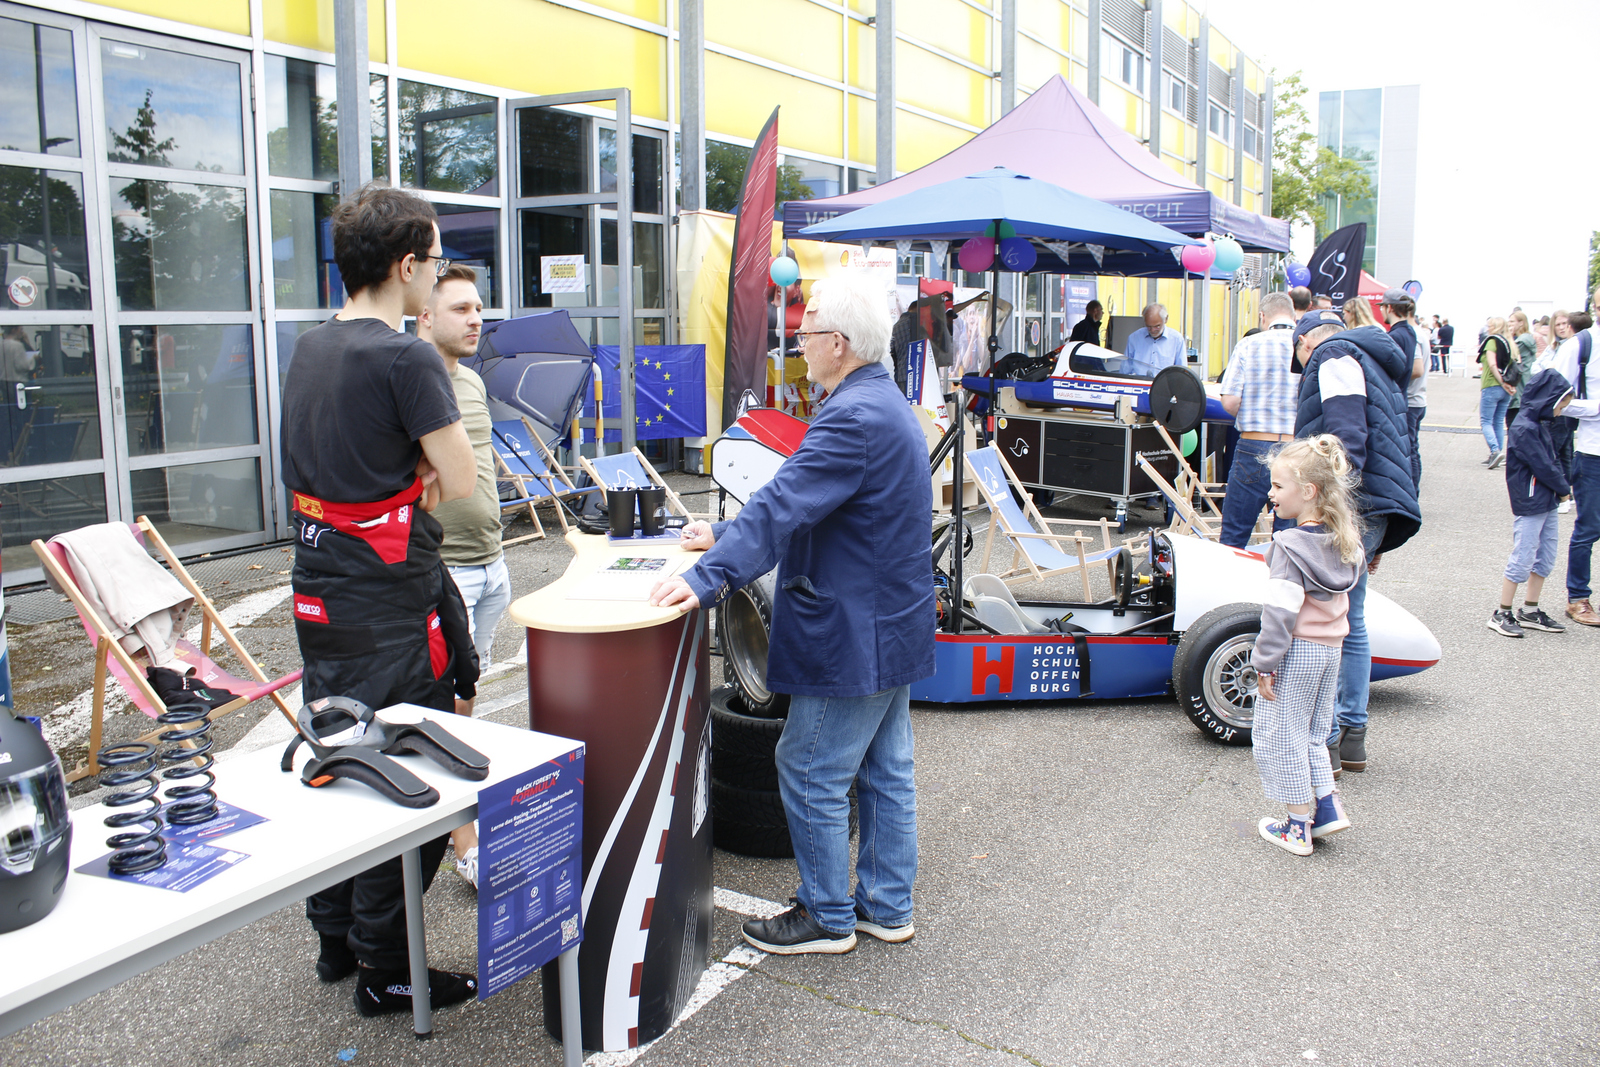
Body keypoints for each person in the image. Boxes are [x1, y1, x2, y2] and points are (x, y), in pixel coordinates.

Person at [648, 271, 935, 955]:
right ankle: (886, 906)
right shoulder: (883, 404)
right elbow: (812, 501)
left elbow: (784, 504)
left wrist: (708, 576)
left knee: (809, 766)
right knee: (885, 769)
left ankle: (826, 915)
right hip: (890, 623)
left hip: (856, 631)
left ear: (839, 343)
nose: (797, 346)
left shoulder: (851, 416)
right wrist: (723, 534)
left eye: (806, 335)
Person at [281, 183, 480, 1017]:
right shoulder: (405, 359)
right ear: (405, 266)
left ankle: (335, 938)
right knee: (413, 775)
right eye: (434, 260)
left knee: (339, 755)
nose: (436, 275)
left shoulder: (308, 347)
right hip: (392, 599)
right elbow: (461, 480)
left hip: (319, 587)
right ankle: (387, 968)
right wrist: (421, 469)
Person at [1290, 308, 1421, 777]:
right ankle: (1352, 737)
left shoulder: (1334, 356)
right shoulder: (1376, 360)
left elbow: (1345, 441)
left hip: (1350, 505)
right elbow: (1403, 445)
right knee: (1352, 618)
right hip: (1375, 506)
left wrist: (1335, 514)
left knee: (1324, 621)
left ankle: (1325, 740)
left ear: (1305, 343)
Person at [415, 264, 506, 891]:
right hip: (445, 571)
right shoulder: (409, 381)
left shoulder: (470, 380)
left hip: (492, 562)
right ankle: (464, 842)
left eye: (478, 308)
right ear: (425, 317)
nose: (476, 319)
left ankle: (461, 820)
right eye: (460, 309)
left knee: (467, 700)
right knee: (447, 707)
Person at [1251, 435, 1362, 855]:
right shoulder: (1342, 540)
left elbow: (1280, 613)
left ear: (1309, 491)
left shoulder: (1290, 547)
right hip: (1330, 651)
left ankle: (1297, 826)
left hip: (1296, 652)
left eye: (1279, 486)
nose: (1271, 493)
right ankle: (1327, 808)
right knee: (1314, 734)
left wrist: (1265, 663)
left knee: (1281, 734)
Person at [1487, 369, 1574, 638]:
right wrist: (1564, 490)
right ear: (1549, 400)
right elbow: (1543, 465)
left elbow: (1554, 460)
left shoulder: (1540, 423)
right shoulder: (1525, 428)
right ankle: (1501, 612)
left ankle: (1530, 609)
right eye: (1561, 405)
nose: (1561, 411)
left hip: (1546, 500)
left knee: (1545, 556)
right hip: (1531, 499)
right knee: (1523, 556)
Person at [1217, 291, 1300, 547]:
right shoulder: (1306, 345)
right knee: (1289, 539)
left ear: (1263, 316)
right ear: (1294, 316)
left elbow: (1230, 401)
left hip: (1253, 443)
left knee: (1234, 534)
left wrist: (1250, 413)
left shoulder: (1248, 344)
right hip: (1295, 446)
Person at [1552, 292, 1600, 627]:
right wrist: (1595, 408)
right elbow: (1554, 398)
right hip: (1593, 451)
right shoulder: (1580, 345)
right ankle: (1578, 598)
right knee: (1589, 528)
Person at [1379, 289, 1427, 489]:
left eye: (1382, 307)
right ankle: (1412, 490)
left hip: (1397, 399)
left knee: (1405, 452)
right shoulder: (1409, 332)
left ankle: (1410, 490)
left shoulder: (1396, 335)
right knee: (1410, 449)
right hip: (1405, 397)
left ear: (1389, 308)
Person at [1544, 310, 1584, 511]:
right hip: (1561, 404)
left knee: (1556, 451)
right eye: (1558, 324)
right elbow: (1536, 367)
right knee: (1564, 451)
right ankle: (1567, 492)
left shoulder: (1571, 347)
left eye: (1564, 324)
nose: (1561, 328)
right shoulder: (1554, 346)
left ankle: (1564, 495)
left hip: (1563, 404)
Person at [1478, 317, 1516, 469]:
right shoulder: (1510, 343)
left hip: (1492, 385)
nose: (1487, 328)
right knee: (1498, 421)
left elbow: (1492, 364)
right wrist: (1508, 384)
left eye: (1490, 326)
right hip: (1506, 388)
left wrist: (1501, 382)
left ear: (1495, 327)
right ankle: (1498, 452)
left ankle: (1495, 451)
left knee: (1486, 421)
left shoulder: (1492, 341)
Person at [1122, 303, 1186, 377]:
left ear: (1165, 319)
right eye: (1148, 326)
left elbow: (1182, 372)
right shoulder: (1134, 338)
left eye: (1157, 326)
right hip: (1139, 382)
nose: (1152, 330)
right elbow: (1125, 370)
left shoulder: (1177, 339)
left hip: (1165, 383)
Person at [1505, 310, 1539, 427]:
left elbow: (1508, 355)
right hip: (1525, 386)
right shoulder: (1528, 338)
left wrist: (1508, 336)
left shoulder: (1521, 341)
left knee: (1513, 425)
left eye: (1512, 322)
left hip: (1519, 388)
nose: (1509, 324)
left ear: (1521, 323)